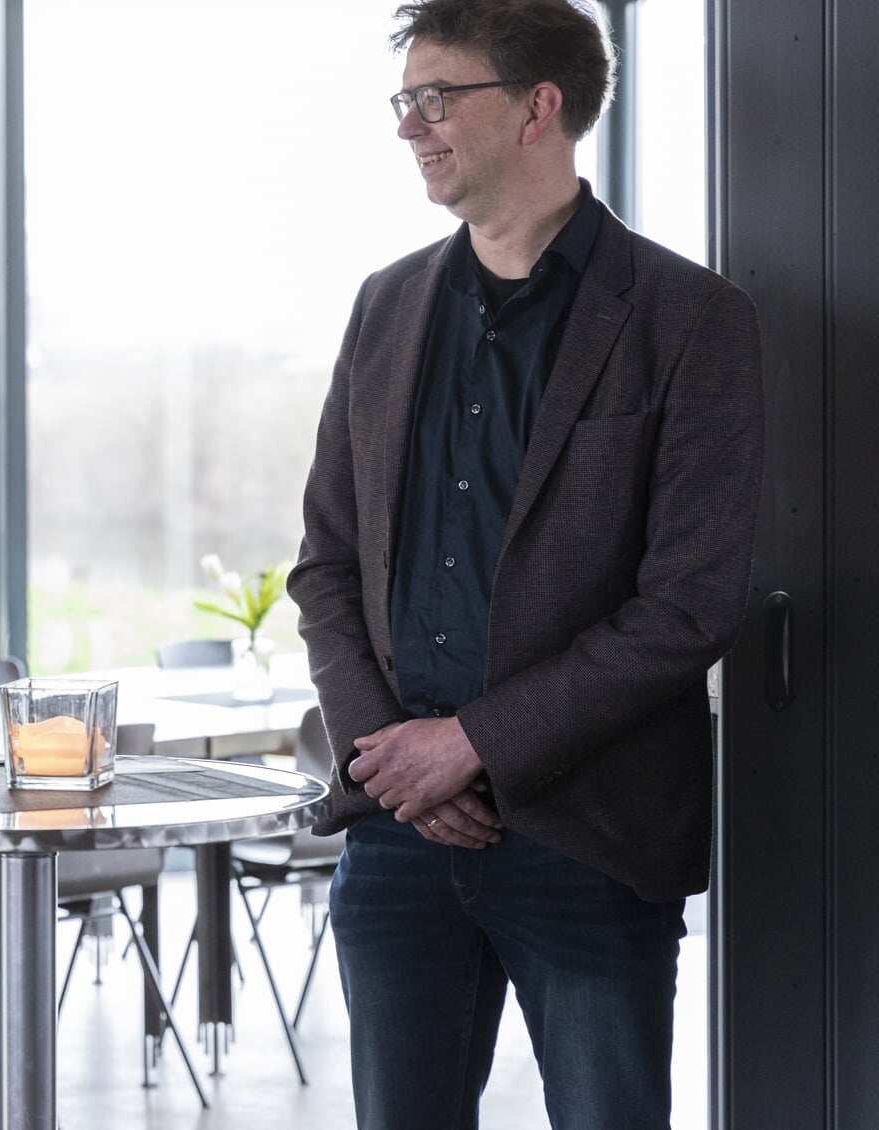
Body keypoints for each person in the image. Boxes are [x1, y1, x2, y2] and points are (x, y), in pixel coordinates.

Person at [286, 1, 763, 1127]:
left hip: (586, 838)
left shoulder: (691, 319)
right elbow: (327, 566)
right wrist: (393, 762)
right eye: (405, 100)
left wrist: (470, 747)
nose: (412, 126)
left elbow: (688, 607)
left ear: (540, 108)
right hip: (401, 842)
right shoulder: (387, 305)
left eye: (437, 97)